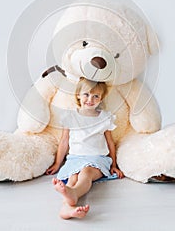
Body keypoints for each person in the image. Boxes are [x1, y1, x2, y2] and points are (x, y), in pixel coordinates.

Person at [46, 77, 124, 219]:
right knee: (72, 178)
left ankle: (73, 194)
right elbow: (64, 141)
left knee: (85, 174)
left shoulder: (104, 118)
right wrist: (57, 163)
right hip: (75, 159)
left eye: (96, 96)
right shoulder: (70, 116)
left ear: (101, 99)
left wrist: (113, 164)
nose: (90, 99)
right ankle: (66, 209)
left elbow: (110, 142)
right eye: (86, 94)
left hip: (97, 159)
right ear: (78, 95)